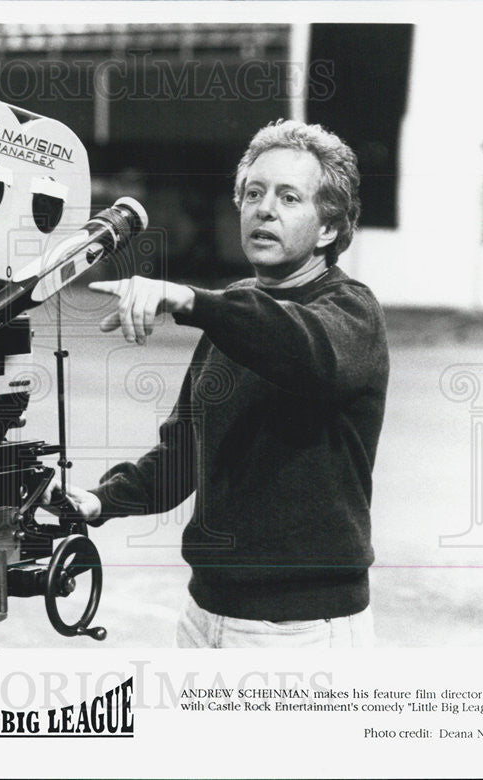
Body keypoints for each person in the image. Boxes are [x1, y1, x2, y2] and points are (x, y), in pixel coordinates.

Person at [49, 119, 389, 648]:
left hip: (300, 635)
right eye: (253, 193)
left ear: (327, 228)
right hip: (206, 616)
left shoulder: (350, 312)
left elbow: (305, 351)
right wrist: (100, 501)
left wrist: (190, 300)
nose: (264, 208)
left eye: (289, 197)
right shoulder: (233, 313)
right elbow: (184, 452)